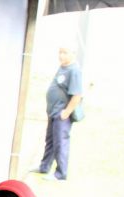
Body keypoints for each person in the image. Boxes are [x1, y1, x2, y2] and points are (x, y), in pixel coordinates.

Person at [32, 46, 83, 181]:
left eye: (65, 52)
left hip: (62, 114)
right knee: (50, 140)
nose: (61, 55)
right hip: (53, 112)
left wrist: (66, 112)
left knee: (60, 143)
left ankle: (60, 174)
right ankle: (44, 167)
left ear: (73, 53)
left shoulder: (74, 71)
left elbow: (77, 95)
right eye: (60, 52)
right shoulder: (63, 67)